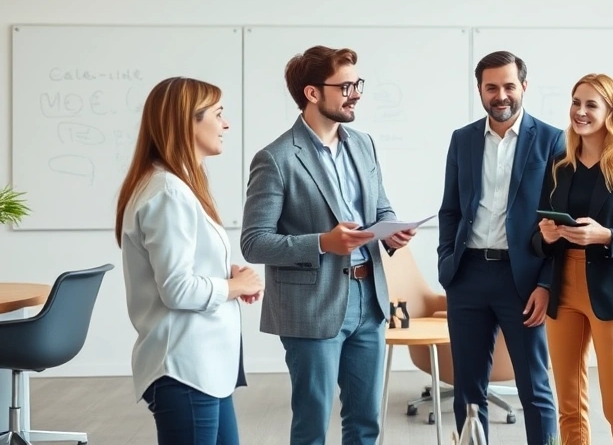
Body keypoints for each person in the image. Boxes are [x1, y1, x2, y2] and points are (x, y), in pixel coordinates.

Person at [240, 46, 416, 445]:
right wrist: (324, 243)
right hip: (311, 305)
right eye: (346, 86)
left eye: (358, 84)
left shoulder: (363, 144)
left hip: (368, 296)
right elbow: (255, 243)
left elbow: (380, 207)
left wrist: (391, 231)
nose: (356, 93)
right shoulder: (276, 158)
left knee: (366, 420)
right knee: (313, 420)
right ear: (313, 93)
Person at [116, 76, 264, 445]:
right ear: (187, 121)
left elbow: (179, 269)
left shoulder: (178, 185)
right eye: (218, 114)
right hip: (185, 367)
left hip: (205, 366)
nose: (226, 124)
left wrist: (224, 276)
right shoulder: (168, 192)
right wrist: (233, 286)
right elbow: (177, 289)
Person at [437, 50, 564, 445]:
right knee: (468, 392)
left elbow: (558, 222)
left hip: (522, 280)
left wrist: (546, 284)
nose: (501, 95)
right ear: (480, 90)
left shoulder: (552, 140)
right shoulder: (463, 139)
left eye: (509, 85)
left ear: (524, 86)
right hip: (468, 276)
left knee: (535, 388)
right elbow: (451, 209)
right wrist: (447, 265)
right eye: (492, 87)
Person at [531, 73, 613, 445]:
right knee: (568, 403)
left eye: (591, 105)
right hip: (563, 289)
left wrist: (606, 235)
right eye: (575, 102)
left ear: (611, 112)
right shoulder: (559, 167)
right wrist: (545, 236)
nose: (580, 112)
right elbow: (538, 237)